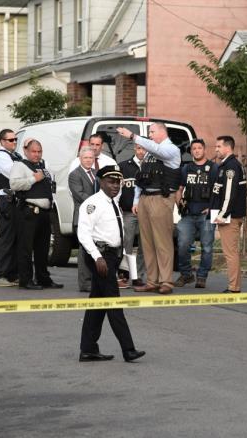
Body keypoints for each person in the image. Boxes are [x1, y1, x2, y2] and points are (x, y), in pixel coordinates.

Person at [77, 165, 145, 363]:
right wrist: (97, 257)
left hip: (113, 256)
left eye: (118, 182)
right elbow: (83, 233)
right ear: (101, 182)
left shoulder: (113, 202)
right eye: (111, 181)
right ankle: (128, 349)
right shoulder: (93, 204)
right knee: (113, 303)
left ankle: (88, 349)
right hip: (100, 256)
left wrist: (121, 260)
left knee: (97, 304)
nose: (115, 185)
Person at [116, 123, 181, 295]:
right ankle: (152, 281)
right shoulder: (150, 154)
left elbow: (158, 150)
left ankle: (166, 281)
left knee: (163, 242)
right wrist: (137, 200)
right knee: (147, 243)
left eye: (152, 132)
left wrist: (133, 136)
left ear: (162, 132)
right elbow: (141, 178)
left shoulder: (171, 150)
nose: (150, 135)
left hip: (161, 198)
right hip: (145, 198)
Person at [10, 139, 63, 290]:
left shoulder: (44, 166)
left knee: (43, 248)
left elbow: (51, 184)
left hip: (45, 213)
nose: (37, 154)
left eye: (39, 151)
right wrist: (34, 179)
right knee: (26, 248)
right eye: (34, 151)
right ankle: (25, 280)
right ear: (26, 151)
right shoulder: (19, 165)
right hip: (29, 212)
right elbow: (14, 184)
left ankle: (43, 278)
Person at [174, 139, 218, 289]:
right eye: (194, 149)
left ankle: (201, 276)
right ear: (191, 151)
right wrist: (180, 204)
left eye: (199, 148)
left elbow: (218, 191)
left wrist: (212, 208)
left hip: (206, 215)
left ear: (204, 150)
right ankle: (186, 275)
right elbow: (178, 190)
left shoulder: (213, 168)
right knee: (183, 244)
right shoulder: (186, 169)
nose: (197, 151)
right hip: (188, 215)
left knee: (206, 247)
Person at [210, 136, 247, 293]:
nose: (216, 149)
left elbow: (229, 194)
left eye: (218, 146)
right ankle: (234, 285)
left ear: (228, 147)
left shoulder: (231, 167)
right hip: (225, 214)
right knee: (230, 252)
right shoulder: (225, 166)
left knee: (230, 253)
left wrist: (222, 214)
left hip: (229, 217)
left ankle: (234, 287)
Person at [0, 129, 22, 287]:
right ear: (3, 141)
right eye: (11, 140)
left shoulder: (16, 156)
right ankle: (0, 276)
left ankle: (12, 275)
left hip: (17, 200)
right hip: (7, 199)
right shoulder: (1, 156)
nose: (14, 142)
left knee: (17, 239)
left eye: (15, 139)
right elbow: (14, 173)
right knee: (7, 238)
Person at [117, 144, 147, 288]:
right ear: (135, 149)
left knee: (144, 246)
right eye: (139, 148)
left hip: (147, 213)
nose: (142, 151)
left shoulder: (151, 167)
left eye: (144, 149)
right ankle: (124, 275)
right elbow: (116, 190)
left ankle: (138, 277)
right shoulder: (123, 166)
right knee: (126, 243)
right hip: (128, 212)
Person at [68, 146, 98, 292]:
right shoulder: (75, 175)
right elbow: (80, 195)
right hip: (82, 218)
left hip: (97, 218)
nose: (88, 160)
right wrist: (99, 202)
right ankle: (85, 283)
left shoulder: (96, 173)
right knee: (85, 250)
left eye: (91, 158)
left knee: (95, 249)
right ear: (80, 159)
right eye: (86, 158)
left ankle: (95, 281)